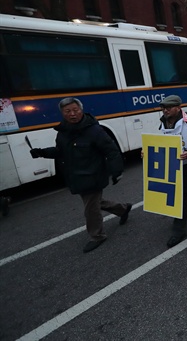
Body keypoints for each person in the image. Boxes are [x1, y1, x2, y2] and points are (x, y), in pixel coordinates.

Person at [29, 97, 132, 253]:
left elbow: (111, 150)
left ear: (81, 110)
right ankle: (123, 209)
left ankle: (97, 236)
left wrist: (116, 171)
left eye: (75, 110)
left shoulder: (95, 130)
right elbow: (61, 151)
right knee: (94, 203)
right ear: (62, 113)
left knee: (90, 208)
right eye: (67, 111)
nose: (72, 114)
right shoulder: (63, 131)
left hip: (93, 174)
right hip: (75, 175)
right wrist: (42, 153)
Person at [158, 95, 187, 248]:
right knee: (182, 198)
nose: (165, 110)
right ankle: (178, 230)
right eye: (163, 108)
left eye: (168, 107)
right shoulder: (163, 124)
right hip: (173, 167)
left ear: (178, 108)